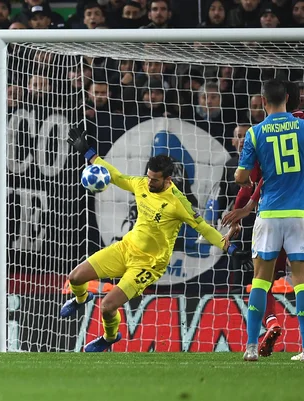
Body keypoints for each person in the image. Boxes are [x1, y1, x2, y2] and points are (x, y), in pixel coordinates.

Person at [60, 128, 250, 352]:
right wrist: (88, 153)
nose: (149, 182)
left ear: (168, 179)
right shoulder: (142, 184)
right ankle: (81, 299)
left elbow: (203, 228)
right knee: (75, 277)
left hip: (148, 264)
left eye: (155, 180)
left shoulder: (178, 202)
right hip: (126, 247)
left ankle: (110, 337)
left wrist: (229, 247)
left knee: (107, 306)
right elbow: (115, 175)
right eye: (149, 177)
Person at [221, 80, 304, 358]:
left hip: (269, 214)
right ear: (289, 99)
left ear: (264, 102)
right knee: (301, 281)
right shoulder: (303, 126)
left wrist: (241, 181)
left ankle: (251, 347)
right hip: (299, 214)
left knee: (260, 280)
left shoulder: (255, 133)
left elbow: (242, 177)